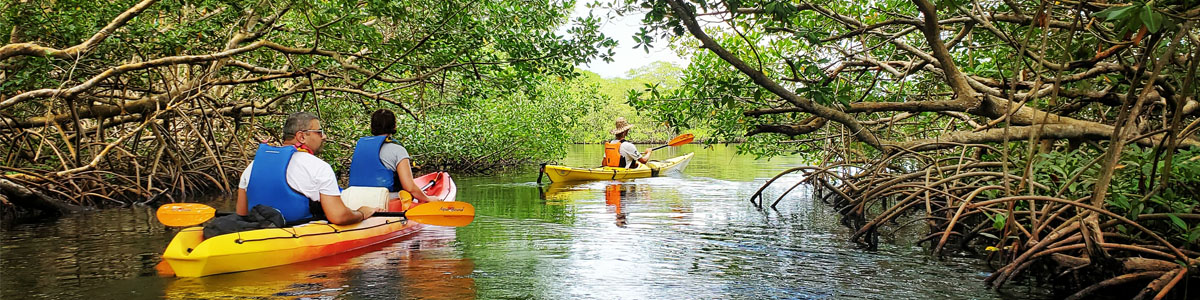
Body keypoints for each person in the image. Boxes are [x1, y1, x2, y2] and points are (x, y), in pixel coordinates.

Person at [236, 112, 377, 225]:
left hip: (258, 233)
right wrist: (361, 213)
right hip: (300, 233)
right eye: (319, 132)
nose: (324, 137)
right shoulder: (318, 167)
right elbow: (339, 217)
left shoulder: (252, 167)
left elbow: (241, 214)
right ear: (302, 136)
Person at [347, 109, 442, 202]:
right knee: (408, 194)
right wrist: (428, 199)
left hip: (355, 198)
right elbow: (409, 187)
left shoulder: (360, 148)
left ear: (372, 127)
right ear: (394, 126)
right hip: (383, 200)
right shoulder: (398, 150)